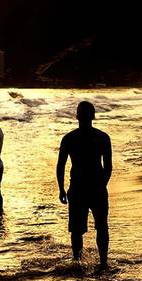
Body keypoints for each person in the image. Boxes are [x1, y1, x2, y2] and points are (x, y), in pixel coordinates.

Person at [56, 101, 112, 271]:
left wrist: (61, 189)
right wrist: (102, 185)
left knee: (77, 229)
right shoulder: (102, 137)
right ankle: (103, 262)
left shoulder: (70, 138)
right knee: (101, 226)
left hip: (79, 188)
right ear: (93, 116)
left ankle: (77, 262)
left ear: (77, 116)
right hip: (95, 187)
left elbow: (60, 166)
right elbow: (108, 167)